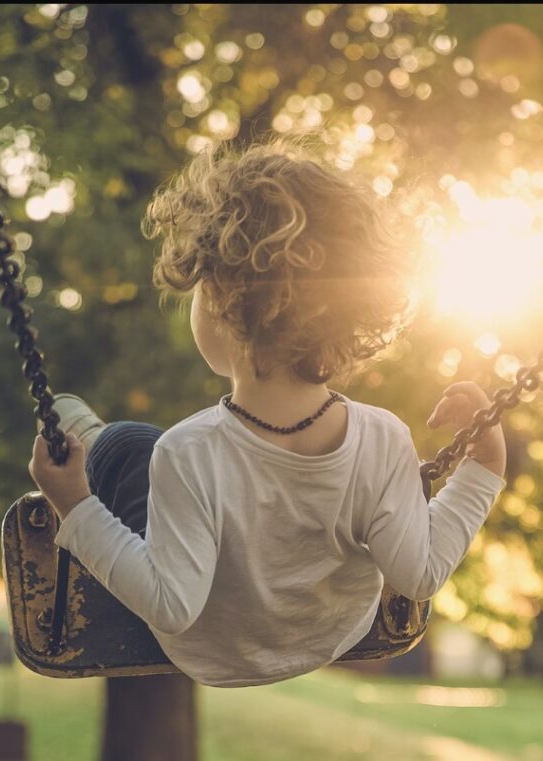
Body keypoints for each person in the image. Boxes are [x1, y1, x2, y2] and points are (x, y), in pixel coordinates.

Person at [27, 141, 506, 688]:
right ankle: (93, 440)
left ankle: (90, 441)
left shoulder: (185, 452)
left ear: (226, 300)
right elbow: (419, 575)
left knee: (127, 446)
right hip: (330, 636)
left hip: (212, 651)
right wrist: (483, 468)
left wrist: (74, 505)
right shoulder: (383, 438)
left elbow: (171, 606)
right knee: (146, 453)